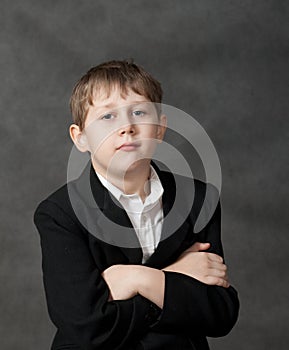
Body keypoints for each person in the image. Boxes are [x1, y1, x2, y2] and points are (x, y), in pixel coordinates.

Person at [34, 60, 239, 350]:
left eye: (139, 113)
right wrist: (175, 278)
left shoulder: (198, 197)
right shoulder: (59, 214)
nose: (127, 128)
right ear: (80, 138)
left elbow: (221, 313)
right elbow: (84, 324)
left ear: (159, 129)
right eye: (107, 117)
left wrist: (135, 279)